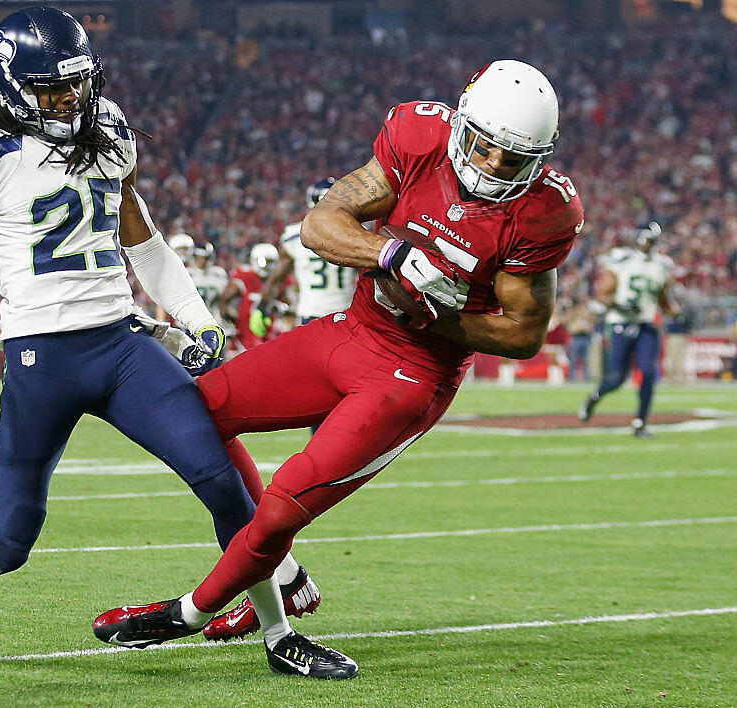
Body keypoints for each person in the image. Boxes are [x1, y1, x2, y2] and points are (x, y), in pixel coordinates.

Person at [0, 6, 333, 676]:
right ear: (13, 85)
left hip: (120, 347)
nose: (71, 98)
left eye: (78, 82)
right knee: (8, 541)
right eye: (54, 87)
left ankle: (280, 638)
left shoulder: (106, 130)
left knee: (228, 488)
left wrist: (197, 317)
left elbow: (144, 240)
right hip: (39, 359)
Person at [93, 60, 584, 678]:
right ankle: (283, 579)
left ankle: (190, 613)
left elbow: (523, 334)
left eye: (510, 160)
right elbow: (320, 225)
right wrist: (393, 252)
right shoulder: (420, 137)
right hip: (350, 333)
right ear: (461, 125)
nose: (490, 166)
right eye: (483, 147)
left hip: (411, 378)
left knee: (282, 504)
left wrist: (432, 315)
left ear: (537, 158)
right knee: (194, 414)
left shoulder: (542, 211)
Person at [578, 221, 679, 437]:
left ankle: (640, 422)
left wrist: (674, 312)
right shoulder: (621, 259)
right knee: (616, 378)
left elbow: (663, 297)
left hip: (645, 323)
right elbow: (603, 293)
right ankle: (594, 398)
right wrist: (619, 305)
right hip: (620, 322)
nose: (648, 244)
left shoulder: (661, 264)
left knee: (649, 371)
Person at [250, 178, 357, 339]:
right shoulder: (355, 232)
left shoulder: (294, 236)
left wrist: (262, 307)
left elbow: (277, 279)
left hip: (311, 316)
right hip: (345, 315)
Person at [220, 243, 280, 353]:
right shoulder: (246, 276)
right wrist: (230, 318)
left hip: (269, 334)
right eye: (263, 261)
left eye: (270, 262)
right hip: (244, 336)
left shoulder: (278, 280)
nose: (266, 265)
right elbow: (224, 300)